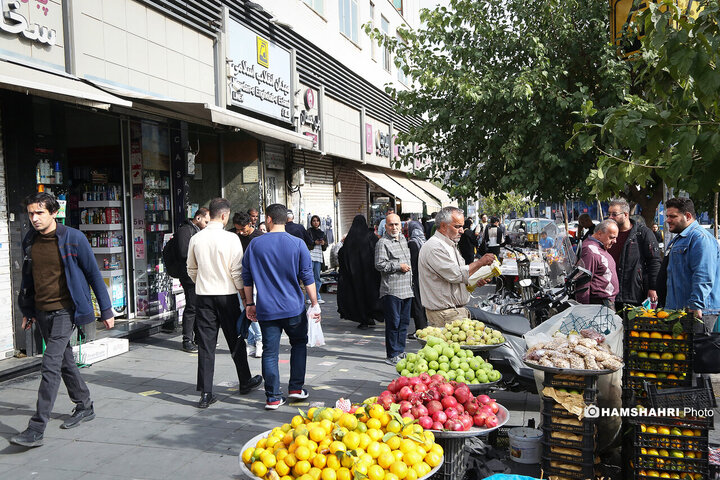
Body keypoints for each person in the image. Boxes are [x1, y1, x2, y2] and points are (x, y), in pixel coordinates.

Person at [11, 193, 115, 448]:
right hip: (42, 310)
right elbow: (28, 279)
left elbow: (93, 273)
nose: (34, 218)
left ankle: (36, 429)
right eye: (31, 213)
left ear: (54, 213)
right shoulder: (30, 240)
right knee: (65, 361)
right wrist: (27, 310)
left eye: (40, 213)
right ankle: (84, 404)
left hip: (65, 312)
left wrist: (107, 310)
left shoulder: (73, 238)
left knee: (50, 365)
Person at [242, 203, 321, 410]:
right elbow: (308, 277)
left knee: (269, 352)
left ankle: (273, 397)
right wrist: (315, 304)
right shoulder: (298, 244)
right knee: (298, 345)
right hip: (294, 307)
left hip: (267, 309)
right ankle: (295, 388)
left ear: (268, 219)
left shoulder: (255, 245)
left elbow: (247, 278)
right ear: (285, 219)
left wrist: (250, 303)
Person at [186, 198, 262, 409]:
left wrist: (202, 282)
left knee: (205, 344)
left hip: (203, 296)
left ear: (210, 214)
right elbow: (237, 273)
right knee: (235, 339)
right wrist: (246, 299)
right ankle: (245, 380)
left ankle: (206, 392)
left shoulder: (197, 238)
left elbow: (191, 269)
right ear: (225, 215)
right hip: (227, 296)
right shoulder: (231, 239)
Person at [419, 207, 496, 327]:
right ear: (444, 226)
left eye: (462, 226)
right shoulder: (434, 247)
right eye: (457, 226)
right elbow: (455, 274)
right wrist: (480, 262)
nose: (461, 230)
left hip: (453, 312)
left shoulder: (450, 244)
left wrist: (474, 280)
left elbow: (455, 278)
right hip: (445, 314)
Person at [664, 197, 720, 330]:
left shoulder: (700, 238)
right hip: (680, 310)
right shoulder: (681, 238)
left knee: (697, 350)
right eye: (667, 216)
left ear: (688, 216)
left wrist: (695, 305)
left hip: (698, 312)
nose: (667, 220)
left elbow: (704, 275)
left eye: (672, 216)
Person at [606, 199, 661, 309]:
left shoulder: (643, 233)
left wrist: (653, 287)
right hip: (610, 294)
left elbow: (654, 261)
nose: (610, 217)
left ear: (626, 215)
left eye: (614, 214)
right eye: (609, 214)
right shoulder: (606, 233)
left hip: (634, 294)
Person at [375, 214, 414, 365]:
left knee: (404, 323)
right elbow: (379, 265)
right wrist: (398, 266)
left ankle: (400, 351)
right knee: (393, 323)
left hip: (407, 289)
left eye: (396, 224)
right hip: (392, 289)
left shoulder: (403, 239)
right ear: (385, 227)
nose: (394, 228)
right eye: (391, 225)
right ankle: (392, 354)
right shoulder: (382, 243)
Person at [337, 215, 383, 329]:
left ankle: (364, 319)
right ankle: (371, 316)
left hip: (354, 276)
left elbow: (342, 254)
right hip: (370, 275)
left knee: (358, 297)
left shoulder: (350, 238)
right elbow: (378, 250)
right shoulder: (370, 236)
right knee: (371, 295)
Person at [176, 207, 210, 352]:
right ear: (198, 218)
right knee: (192, 306)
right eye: (206, 221)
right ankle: (187, 339)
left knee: (198, 306)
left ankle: (197, 338)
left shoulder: (198, 231)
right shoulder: (185, 230)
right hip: (188, 275)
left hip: (198, 273)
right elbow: (184, 252)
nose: (207, 225)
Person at [231, 211, 264, 358]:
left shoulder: (259, 237)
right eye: (237, 229)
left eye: (242, 229)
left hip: (255, 279)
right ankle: (251, 340)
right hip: (241, 278)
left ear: (249, 224)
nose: (240, 232)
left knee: (252, 309)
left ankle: (259, 340)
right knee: (243, 308)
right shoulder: (233, 236)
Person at [576, 220, 620, 308]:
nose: (615, 241)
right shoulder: (590, 251)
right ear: (599, 234)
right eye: (611, 237)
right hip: (599, 304)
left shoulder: (598, 247)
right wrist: (583, 309)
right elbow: (583, 281)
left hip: (605, 302)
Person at [406, 221, 428, 335]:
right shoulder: (425, 242)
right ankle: (424, 326)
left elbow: (412, 264)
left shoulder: (412, 243)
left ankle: (420, 329)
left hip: (416, 277)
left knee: (417, 304)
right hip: (425, 277)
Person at [308, 215, 328, 305]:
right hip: (310, 256)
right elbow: (306, 243)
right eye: (314, 221)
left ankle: (317, 296)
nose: (316, 222)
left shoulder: (322, 233)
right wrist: (314, 242)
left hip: (319, 257)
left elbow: (324, 248)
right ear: (311, 222)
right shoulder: (308, 232)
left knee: (317, 277)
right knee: (310, 277)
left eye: (317, 221)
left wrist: (323, 243)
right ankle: (309, 297)